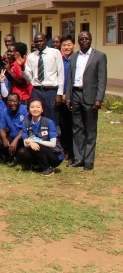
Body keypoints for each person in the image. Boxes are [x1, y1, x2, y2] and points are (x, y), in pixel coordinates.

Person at [66, 31, 107, 171]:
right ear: (78, 41)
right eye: (81, 39)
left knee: (90, 128)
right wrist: (69, 96)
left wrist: (98, 99)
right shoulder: (74, 56)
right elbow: (70, 78)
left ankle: (89, 160)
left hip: (90, 96)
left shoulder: (99, 56)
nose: (84, 40)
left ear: (91, 40)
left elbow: (102, 79)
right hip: (75, 94)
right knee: (77, 128)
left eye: (86, 38)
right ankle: (78, 158)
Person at [20, 33, 64, 126]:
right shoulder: (31, 56)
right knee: (36, 116)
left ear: (46, 41)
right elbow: (29, 78)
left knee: (52, 117)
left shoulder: (55, 53)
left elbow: (60, 73)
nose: (38, 43)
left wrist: (59, 93)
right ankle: (37, 138)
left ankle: (53, 138)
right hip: (37, 90)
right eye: (36, 41)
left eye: (41, 41)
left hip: (51, 90)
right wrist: (22, 67)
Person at [17, 98, 63, 176]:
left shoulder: (49, 122)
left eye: (38, 107)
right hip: (36, 149)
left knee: (37, 146)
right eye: (32, 107)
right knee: (22, 151)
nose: (35, 109)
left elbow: (53, 144)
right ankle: (35, 165)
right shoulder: (26, 123)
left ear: (42, 109)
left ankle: (47, 168)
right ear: (28, 109)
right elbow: (25, 143)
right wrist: (31, 144)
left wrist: (35, 141)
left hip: (54, 155)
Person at [0, 92, 28, 164]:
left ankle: (18, 157)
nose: (12, 103)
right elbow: (2, 128)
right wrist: (4, 139)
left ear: (19, 101)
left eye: (14, 101)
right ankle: (8, 157)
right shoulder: (5, 111)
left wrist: (15, 141)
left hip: (23, 137)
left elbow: (24, 129)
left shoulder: (25, 110)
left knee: (21, 150)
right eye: (10, 101)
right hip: (12, 136)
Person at [59, 35, 75, 162]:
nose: (66, 47)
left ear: (74, 45)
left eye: (69, 45)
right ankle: (66, 150)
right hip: (60, 98)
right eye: (64, 45)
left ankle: (74, 152)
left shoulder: (77, 59)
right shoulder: (59, 59)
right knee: (63, 126)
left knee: (74, 126)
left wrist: (68, 95)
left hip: (73, 98)